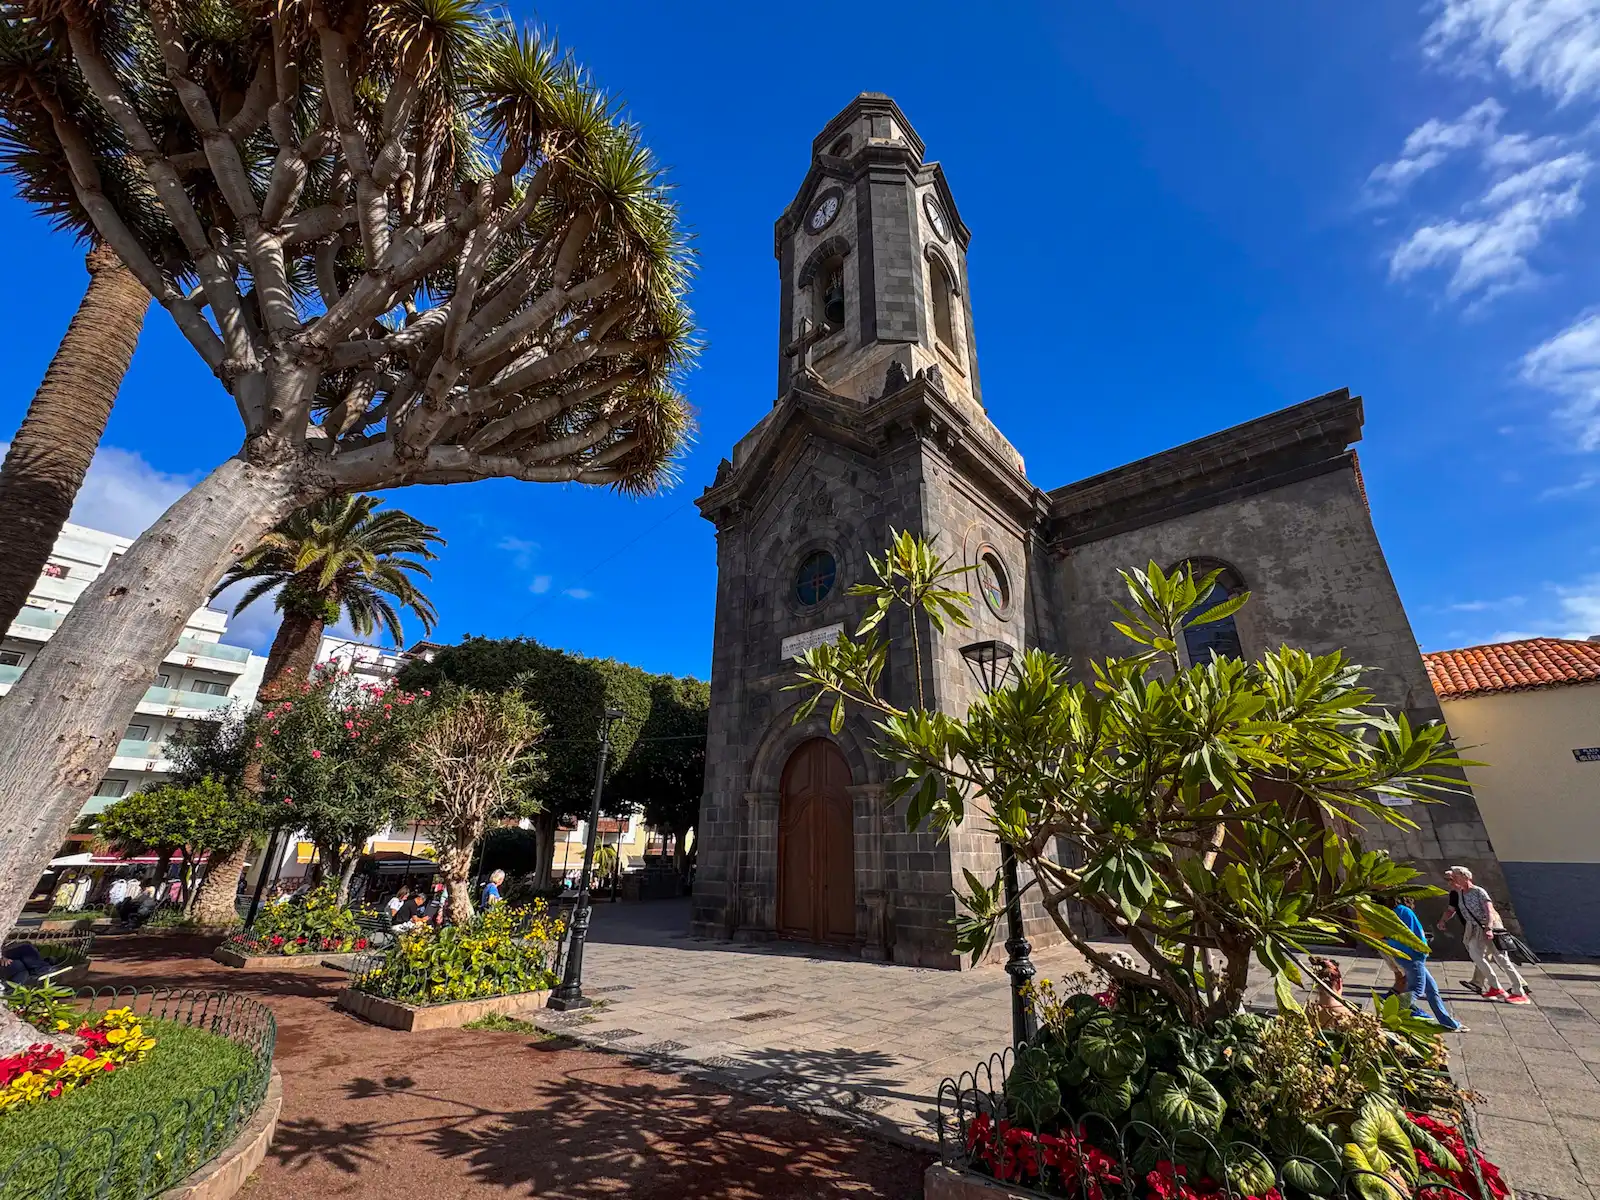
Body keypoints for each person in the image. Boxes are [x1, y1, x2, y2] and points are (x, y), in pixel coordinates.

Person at [1438, 866, 1529, 1004]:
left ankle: (1519, 991)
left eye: (1454, 877)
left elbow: (1489, 911)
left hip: (1488, 927)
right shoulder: (1459, 893)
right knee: (1476, 955)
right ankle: (1496, 987)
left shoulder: (1479, 891)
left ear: (1465, 877)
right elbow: (1451, 910)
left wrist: (1489, 928)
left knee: (1501, 958)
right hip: (1474, 929)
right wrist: (1443, 920)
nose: (1452, 881)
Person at [1383, 896, 1465, 1031]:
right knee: (1416, 989)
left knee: (1431, 989)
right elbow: (1413, 934)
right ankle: (1391, 1013)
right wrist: (1423, 950)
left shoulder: (1394, 911)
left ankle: (1449, 1023)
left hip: (1402, 953)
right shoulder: (1405, 911)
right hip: (1412, 955)